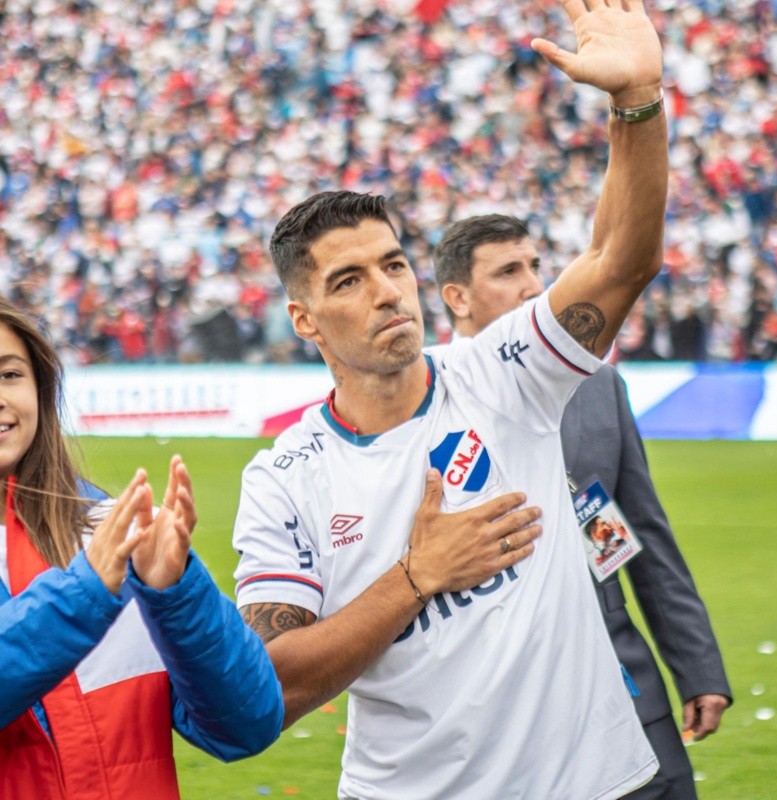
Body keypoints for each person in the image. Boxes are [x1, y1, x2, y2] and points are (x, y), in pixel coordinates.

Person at [234, 1, 669, 796]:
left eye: (394, 265)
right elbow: (274, 686)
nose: (388, 291)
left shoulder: (502, 370)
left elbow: (618, 262)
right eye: (349, 280)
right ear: (304, 319)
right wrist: (417, 574)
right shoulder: (283, 477)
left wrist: (635, 102)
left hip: (595, 783)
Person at [433, 211, 733, 800]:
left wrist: (698, 669)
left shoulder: (598, 384)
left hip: (627, 688)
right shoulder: (427, 397)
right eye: (508, 271)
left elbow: (632, 537)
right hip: (501, 715)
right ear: (457, 298)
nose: (532, 285)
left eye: (535, 267)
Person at [0, 298, 284, 799]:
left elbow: (249, 724)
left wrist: (175, 592)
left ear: (40, 391)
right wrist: (85, 594)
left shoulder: (107, 528)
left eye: (9, 375)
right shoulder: (98, 564)